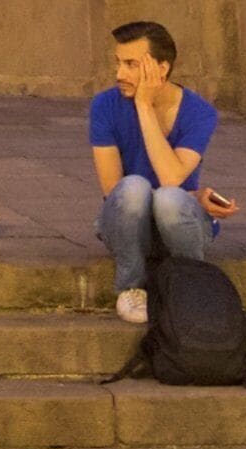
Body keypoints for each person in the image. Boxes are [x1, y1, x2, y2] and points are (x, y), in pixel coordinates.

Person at [89, 20, 236, 324]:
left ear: (162, 68)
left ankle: (190, 286)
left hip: (177, 222)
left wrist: (144, 107)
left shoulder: (199, 112)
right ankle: (131, 287)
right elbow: (113, 191)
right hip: (128, 224)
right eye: (118, 63)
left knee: (170, 198)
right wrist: (194, 195)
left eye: (131, 65)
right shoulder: (105, 106)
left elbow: (171, 178)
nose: (119, 74)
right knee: (134, 188)